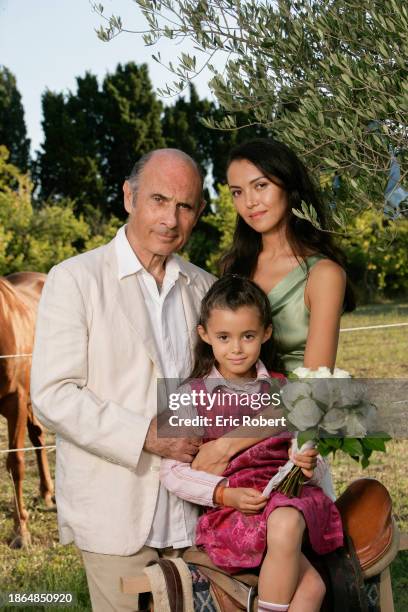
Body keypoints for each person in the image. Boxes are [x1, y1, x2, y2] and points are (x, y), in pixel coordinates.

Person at [31, 148, 220, 612]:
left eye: (185, 205)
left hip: (196, 515)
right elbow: (52, 396)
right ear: (129, 197)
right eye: (158, 200)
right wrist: (147, 435)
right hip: (115, 516)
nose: (170, 219)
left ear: (197, 213)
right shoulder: (75, 279)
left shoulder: (206, 288)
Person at [160, 276, 343, 612]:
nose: (237, 348)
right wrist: (223, 493)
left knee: (290, 529)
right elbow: (172, 472)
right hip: (237, 509)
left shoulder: (283, 389)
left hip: (288, 502)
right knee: (312, 588)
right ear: (204, 335)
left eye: (248, 336)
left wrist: (307, 464)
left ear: (266, 334)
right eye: (224, 337)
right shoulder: (191, 396)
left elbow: (305, 451)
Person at [221, 137, 355, 374]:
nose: (249, 202)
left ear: (288, 184)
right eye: (237, 192)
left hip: (298, 405)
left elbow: (316, 383)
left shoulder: (324, 274)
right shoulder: (234, 266)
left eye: (260, 185)